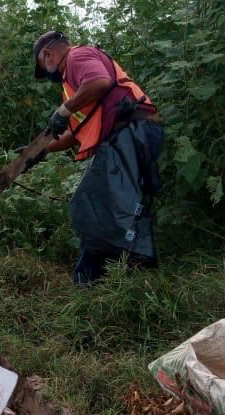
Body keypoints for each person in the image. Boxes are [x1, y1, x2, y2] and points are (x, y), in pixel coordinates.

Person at [28, 31, 164, 285]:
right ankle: (106, 277)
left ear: (47, 54)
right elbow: (73, 133)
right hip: (127, 136)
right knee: (110, 205)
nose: (48, 75)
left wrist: (65, 110)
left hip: (131, 131)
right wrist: (41, 149)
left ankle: (111, 275)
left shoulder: (76, 56)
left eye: (44, 68)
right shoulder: (72, 88)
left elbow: (99, 81)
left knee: (94, 204)